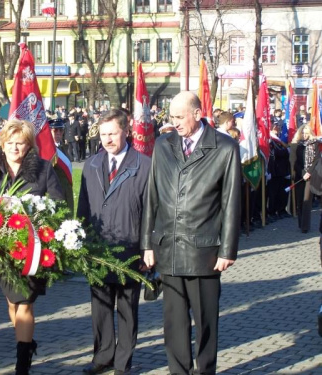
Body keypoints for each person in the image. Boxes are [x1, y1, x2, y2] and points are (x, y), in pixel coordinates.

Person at [141, 91, 241, 375]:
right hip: (168, 249)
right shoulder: (163, 145)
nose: (174, 123)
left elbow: (231, 202)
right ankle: (178, 371)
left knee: (206, 319)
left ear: (197, 114)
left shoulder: (224, 147)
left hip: (204, 250)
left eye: (179, 117)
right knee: (174, 322)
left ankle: (205, 369)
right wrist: (148, 243)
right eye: (171, 117)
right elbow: (153, 196)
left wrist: (227, 250)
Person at [0, 119, 64, 375]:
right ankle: (26, 341)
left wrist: (42, 227)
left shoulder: (44, 169)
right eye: (10, 143)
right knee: (13, 303)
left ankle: (22, 362)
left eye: (21, 144)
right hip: (0, 248)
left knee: (24, 302)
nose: (15, 148)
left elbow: (57, 204)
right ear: (2, 143)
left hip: (32, 249)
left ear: (29, 145)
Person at [77, 109, 151, 375]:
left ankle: (123, 362)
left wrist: (147, 248)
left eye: (113, 133)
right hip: (97, 249)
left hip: (130, 248)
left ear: (126, 131)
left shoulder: (144, 165)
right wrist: (80, 242)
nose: (107, 139)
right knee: (100, 307)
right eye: (103, 134)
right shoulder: (92, 164)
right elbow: (83, 207)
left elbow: (151, 211)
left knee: (127, 308)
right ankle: (103, 356)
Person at [290, 124, 320, 233]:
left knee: (307, 200)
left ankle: (305, 226)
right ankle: (301, 222)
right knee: (300, 201)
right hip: (299, 175)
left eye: (307, 133)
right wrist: (302, 173)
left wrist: (309, 173)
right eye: (303, 133)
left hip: (310, 176)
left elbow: (316, 160)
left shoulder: (314, 144)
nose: (305, 135)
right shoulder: (295, 145)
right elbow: (293, 161)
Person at [49, 117, 74, 212]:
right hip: (55, 192)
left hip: (67, 189)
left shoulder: (63, 147)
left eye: (61, 130)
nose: (58, 133)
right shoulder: (48, 151)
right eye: (55, 130)